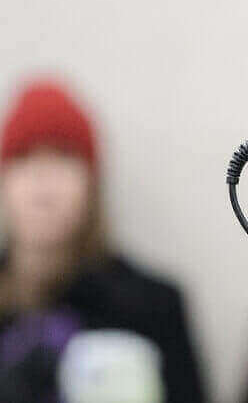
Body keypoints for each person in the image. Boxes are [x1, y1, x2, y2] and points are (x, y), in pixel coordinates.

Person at [0, 78, 206, 403]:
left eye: (63, 157)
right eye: (25, 158)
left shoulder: (153, 307)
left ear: (92, 183)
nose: (43, 181)